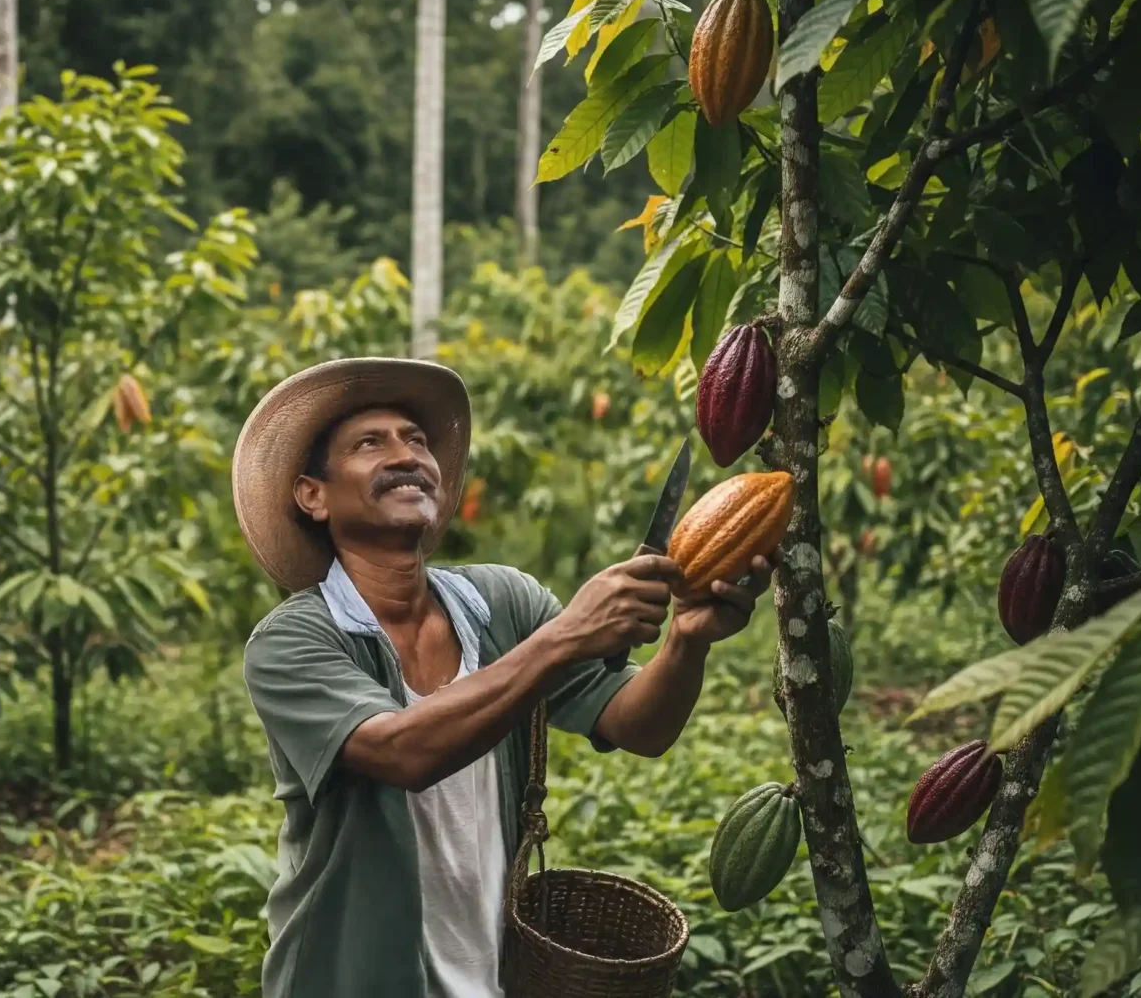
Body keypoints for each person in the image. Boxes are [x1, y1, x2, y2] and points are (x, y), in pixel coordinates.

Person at [232, 357, 776, 998]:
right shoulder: (292, 641)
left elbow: (641, 726)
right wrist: (567, 636)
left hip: (495, 978)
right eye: (370, 444)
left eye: (417, 440)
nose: (406, 456)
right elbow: (403, 750)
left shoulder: (502, 603)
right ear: (313, 495)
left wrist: (687, 639)